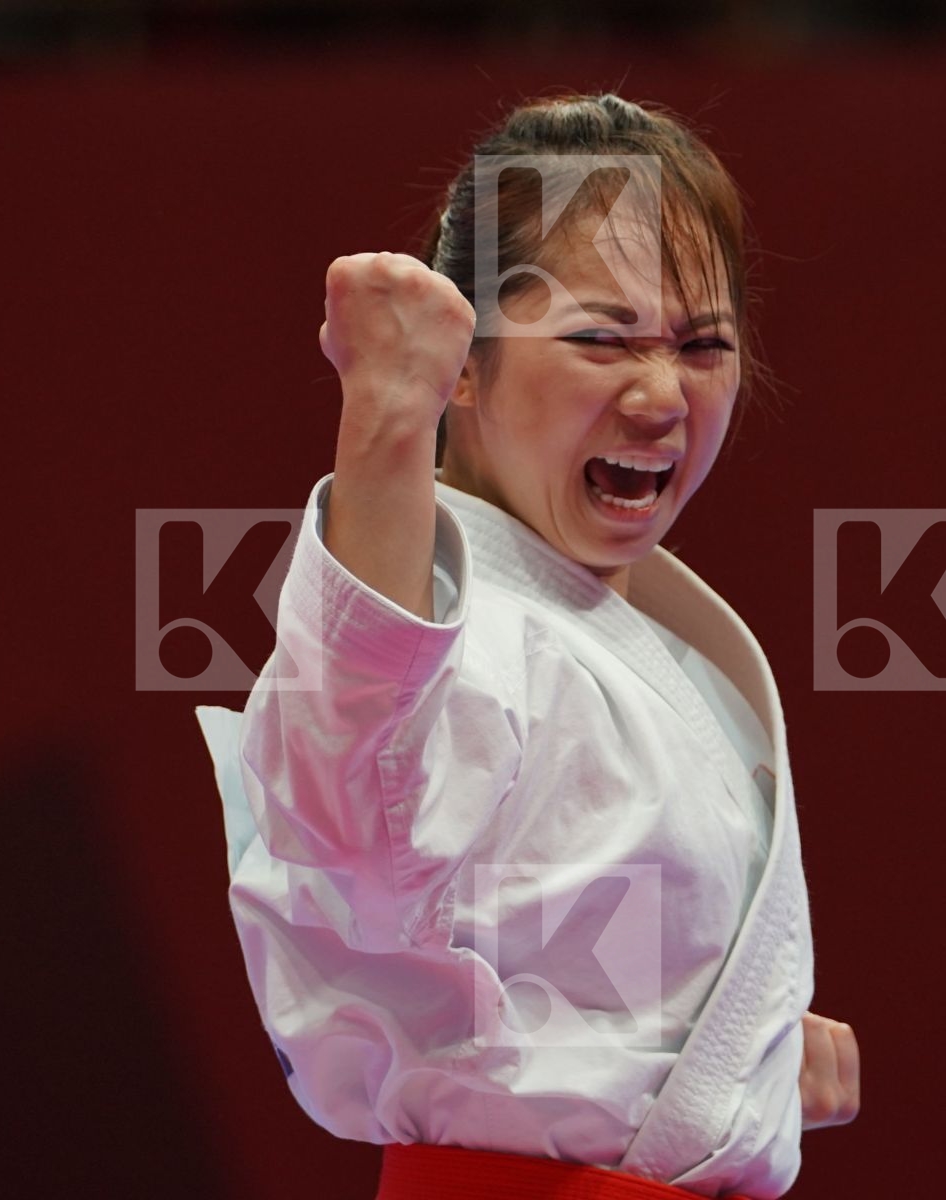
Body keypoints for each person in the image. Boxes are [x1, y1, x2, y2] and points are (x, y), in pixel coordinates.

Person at [196, 91, 858, 1200]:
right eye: (602, 340)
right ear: (464, 360)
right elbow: (354, 835)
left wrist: (753, 1058)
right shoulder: (458, 629)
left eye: (704, 346)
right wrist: (385, 421)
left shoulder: (608, 631)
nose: (662, 394)